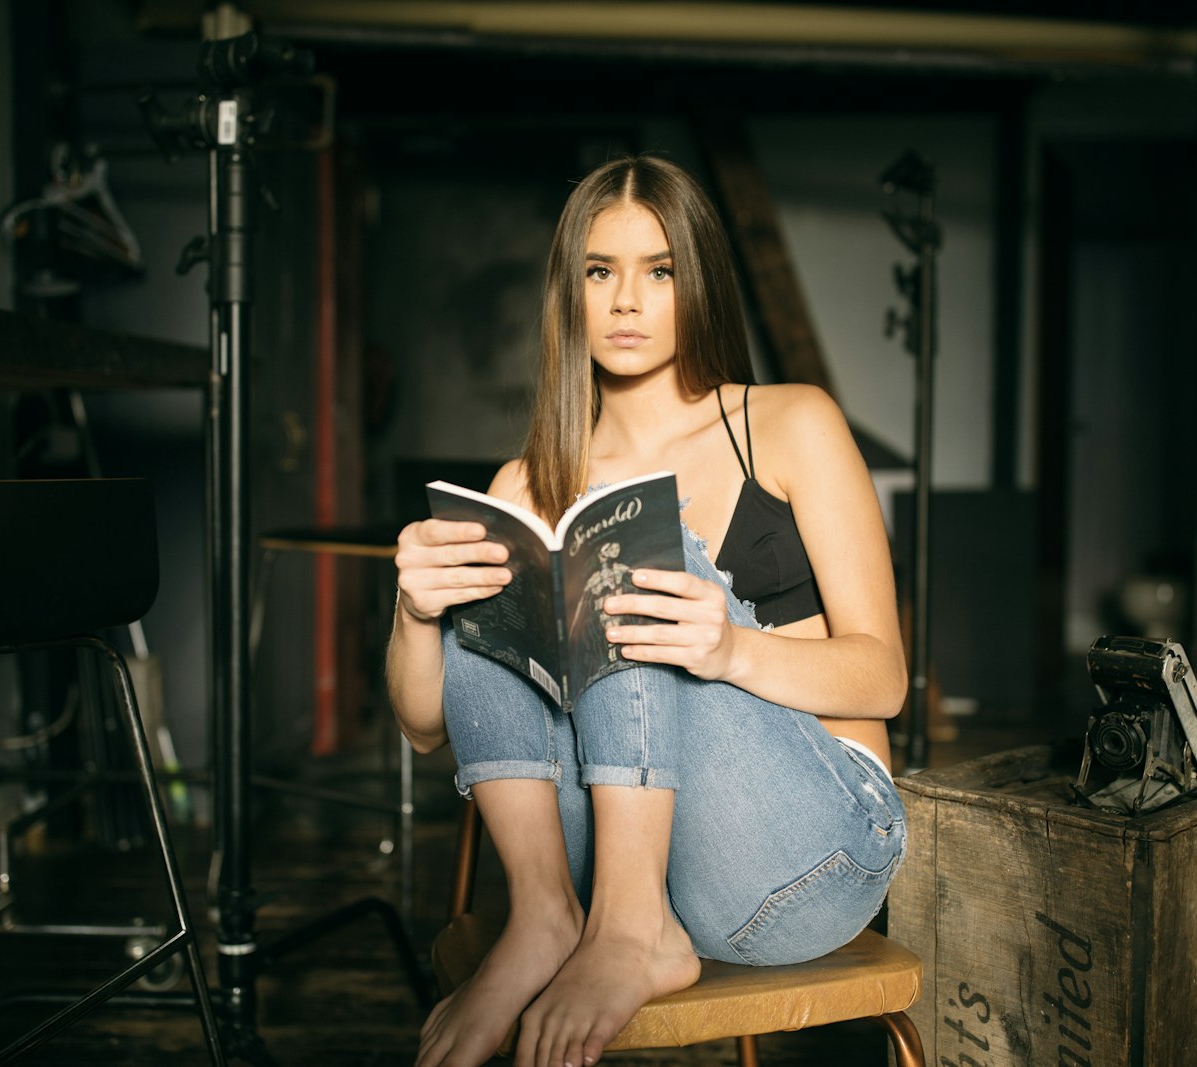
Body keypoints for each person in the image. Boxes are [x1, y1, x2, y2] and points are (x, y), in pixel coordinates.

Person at [387, 153, 908, 1067]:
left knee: (635, 542)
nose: (626, 300)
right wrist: (414, 609)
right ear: (571, 292)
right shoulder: (532, 479)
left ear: (694, 283)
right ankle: (546, 916)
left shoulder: (789, 423)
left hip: (809, 850)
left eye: (658, 271)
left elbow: (885, 677)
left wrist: (730, 646)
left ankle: (632, 929)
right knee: (509, 543)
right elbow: (428, 725)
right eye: (600, 271)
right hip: (616, 859)